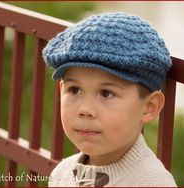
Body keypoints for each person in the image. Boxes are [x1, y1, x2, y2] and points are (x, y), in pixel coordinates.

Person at [42, 12, 177, 187]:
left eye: (106, 93)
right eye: (74, 90)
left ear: (149, 107)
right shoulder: (62, 174)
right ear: (61, 90)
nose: (85, 109)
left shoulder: (153, 183)